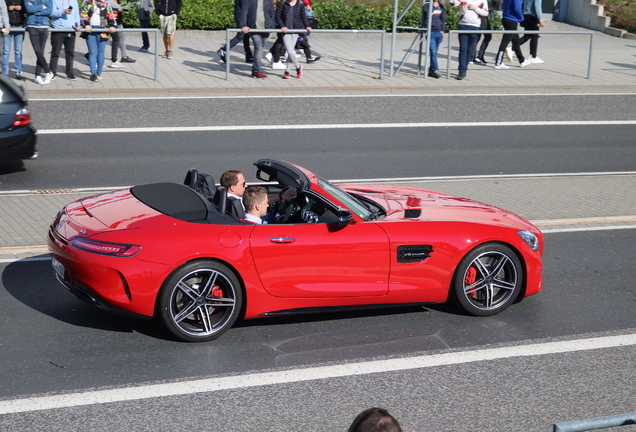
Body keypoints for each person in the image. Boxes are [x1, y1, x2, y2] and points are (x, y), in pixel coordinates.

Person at [234, 0, 275, 79]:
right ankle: (257, 71)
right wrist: (243, 25)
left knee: (260, 48)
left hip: (266, 28)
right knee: (259, 48)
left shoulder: (268, 1)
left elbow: (271, 13)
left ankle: (255, 70)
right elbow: (243, 12)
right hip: (254, 28)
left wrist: (272, 25)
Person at [448, 0, 487, 80]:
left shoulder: (482, 1)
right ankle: (462, 71)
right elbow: (453, 4)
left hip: (475, 26)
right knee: (463, 49)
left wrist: (475, 8)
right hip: (463, 25)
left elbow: (485, 13)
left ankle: (464, 67)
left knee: (470, 50)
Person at [80, 0, 116, 81]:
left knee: (101, 51)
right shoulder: (87, 3)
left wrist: (112, 25)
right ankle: (93, 73)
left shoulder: (106, 4)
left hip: (103, 30)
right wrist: (86, 25)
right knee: (93, 52)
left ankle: (99, 73)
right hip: (91, 30)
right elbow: (83, 15)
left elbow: (111, 16)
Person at [276, 0, 311, 79]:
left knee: (290, 52)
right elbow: (278, 16)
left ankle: (287, 71)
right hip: (286, 31)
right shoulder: (283, 3)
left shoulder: (300, 3)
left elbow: (303, 16)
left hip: (296, 31)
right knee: (289, 51)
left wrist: (307, 26)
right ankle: (298, 67)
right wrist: (282, 26)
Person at [494, 0, 533, 69]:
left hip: (506, 18)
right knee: (505, 41)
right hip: (512, 20)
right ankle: (498, 62)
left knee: (516, 41)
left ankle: (522, 60)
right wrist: (521, 18)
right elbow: (517, 8)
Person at [49, 0, 81, 80]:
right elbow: (51, 12)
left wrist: (78, 24)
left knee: (70, 53)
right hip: (58, 30)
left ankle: (69, 73)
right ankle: (52, 73)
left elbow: (76, 14)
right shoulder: (55, 1)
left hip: (71, 30)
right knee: (55, 53)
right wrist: (63, 11)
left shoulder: (74, 1)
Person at [25, 0, 54, 84]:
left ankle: (37, 75)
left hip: (44, 25)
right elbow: (28, 9)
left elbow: (49, 10)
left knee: (41, 51)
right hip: (32, 25)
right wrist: (42, 7)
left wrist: (35, 10)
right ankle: (48, 72)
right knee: (37, 50)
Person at [108, 0, 136, 67]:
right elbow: (106, 2)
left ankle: (124, 57)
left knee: (121, 37)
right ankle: (91, 55)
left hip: (117, 19)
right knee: (106, 39)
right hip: (110, 20)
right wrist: (117, 6)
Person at [422, 0, 445, 78]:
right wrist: (433, 5)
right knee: (433, 52)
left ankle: (431, 70)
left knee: (434, 53)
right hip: (430, 32)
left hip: (438, 32)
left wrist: (442, 30)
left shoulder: (441, 6)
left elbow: (443, 18)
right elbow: (428, 15)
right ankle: (436, 69)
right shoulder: (427, 5)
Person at [4, 0, 25, 80]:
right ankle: (5, 73)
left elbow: (28, 8)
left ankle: (19, 72)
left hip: (19, 26)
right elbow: (1, 9)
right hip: (6, 26)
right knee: (5, 51)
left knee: (18, 51)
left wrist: (21, 8)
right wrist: (8, 8)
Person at [470, 0, 495, 65]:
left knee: (477, 37)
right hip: (482, 18)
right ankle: (478, 56)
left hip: (479, 17)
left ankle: (472, 56)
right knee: (487, 36)